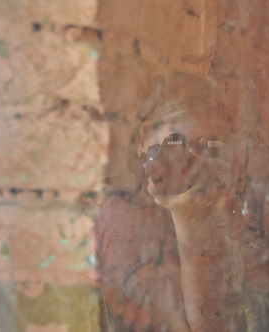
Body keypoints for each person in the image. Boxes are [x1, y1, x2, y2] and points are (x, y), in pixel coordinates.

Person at [95, 73, 258, 332]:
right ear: (142, 142)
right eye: (176, 145)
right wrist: (186, 219)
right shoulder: (123, 218)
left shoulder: (223, 211)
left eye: (203, 146)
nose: (187, 163)